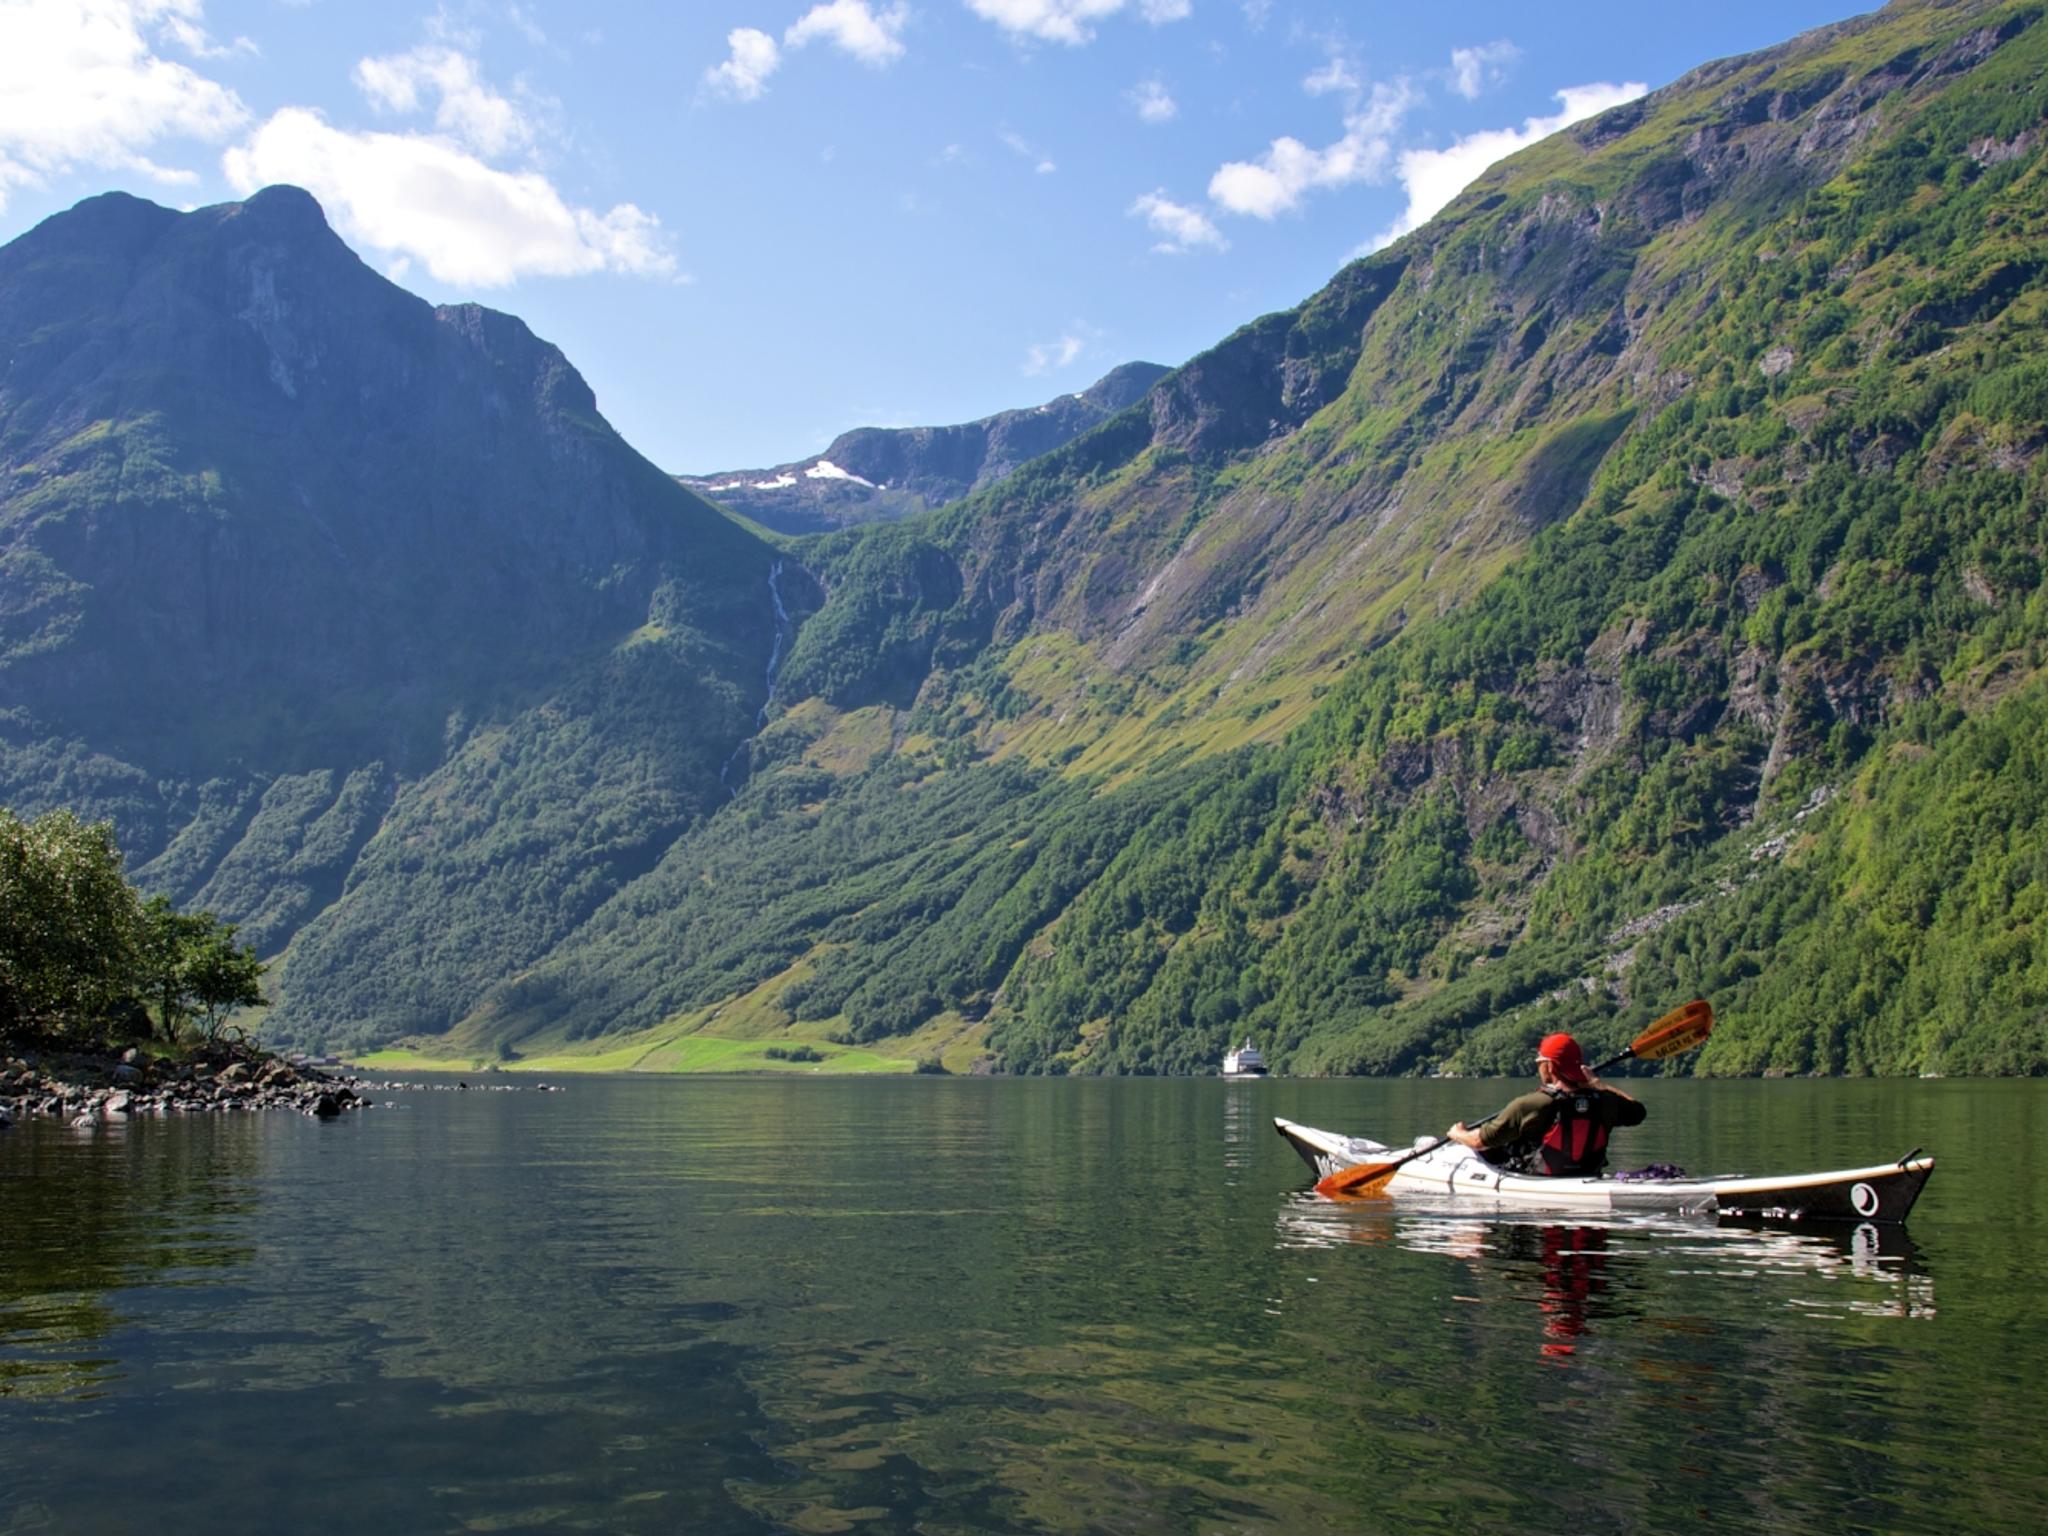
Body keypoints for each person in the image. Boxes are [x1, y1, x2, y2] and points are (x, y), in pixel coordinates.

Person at [1445, 1032, 1645, 1177]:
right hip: (1588, 1174)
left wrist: (1458, 1133)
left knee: (1473, 1148)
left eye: (1539, 1061)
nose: (1538, 1066)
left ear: (1549, 1065)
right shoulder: (1604, 1100)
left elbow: (1481, 1141)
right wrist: (1597, 1084)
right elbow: (1637, 1112)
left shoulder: (1532, 1103)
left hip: (1536, 1179)